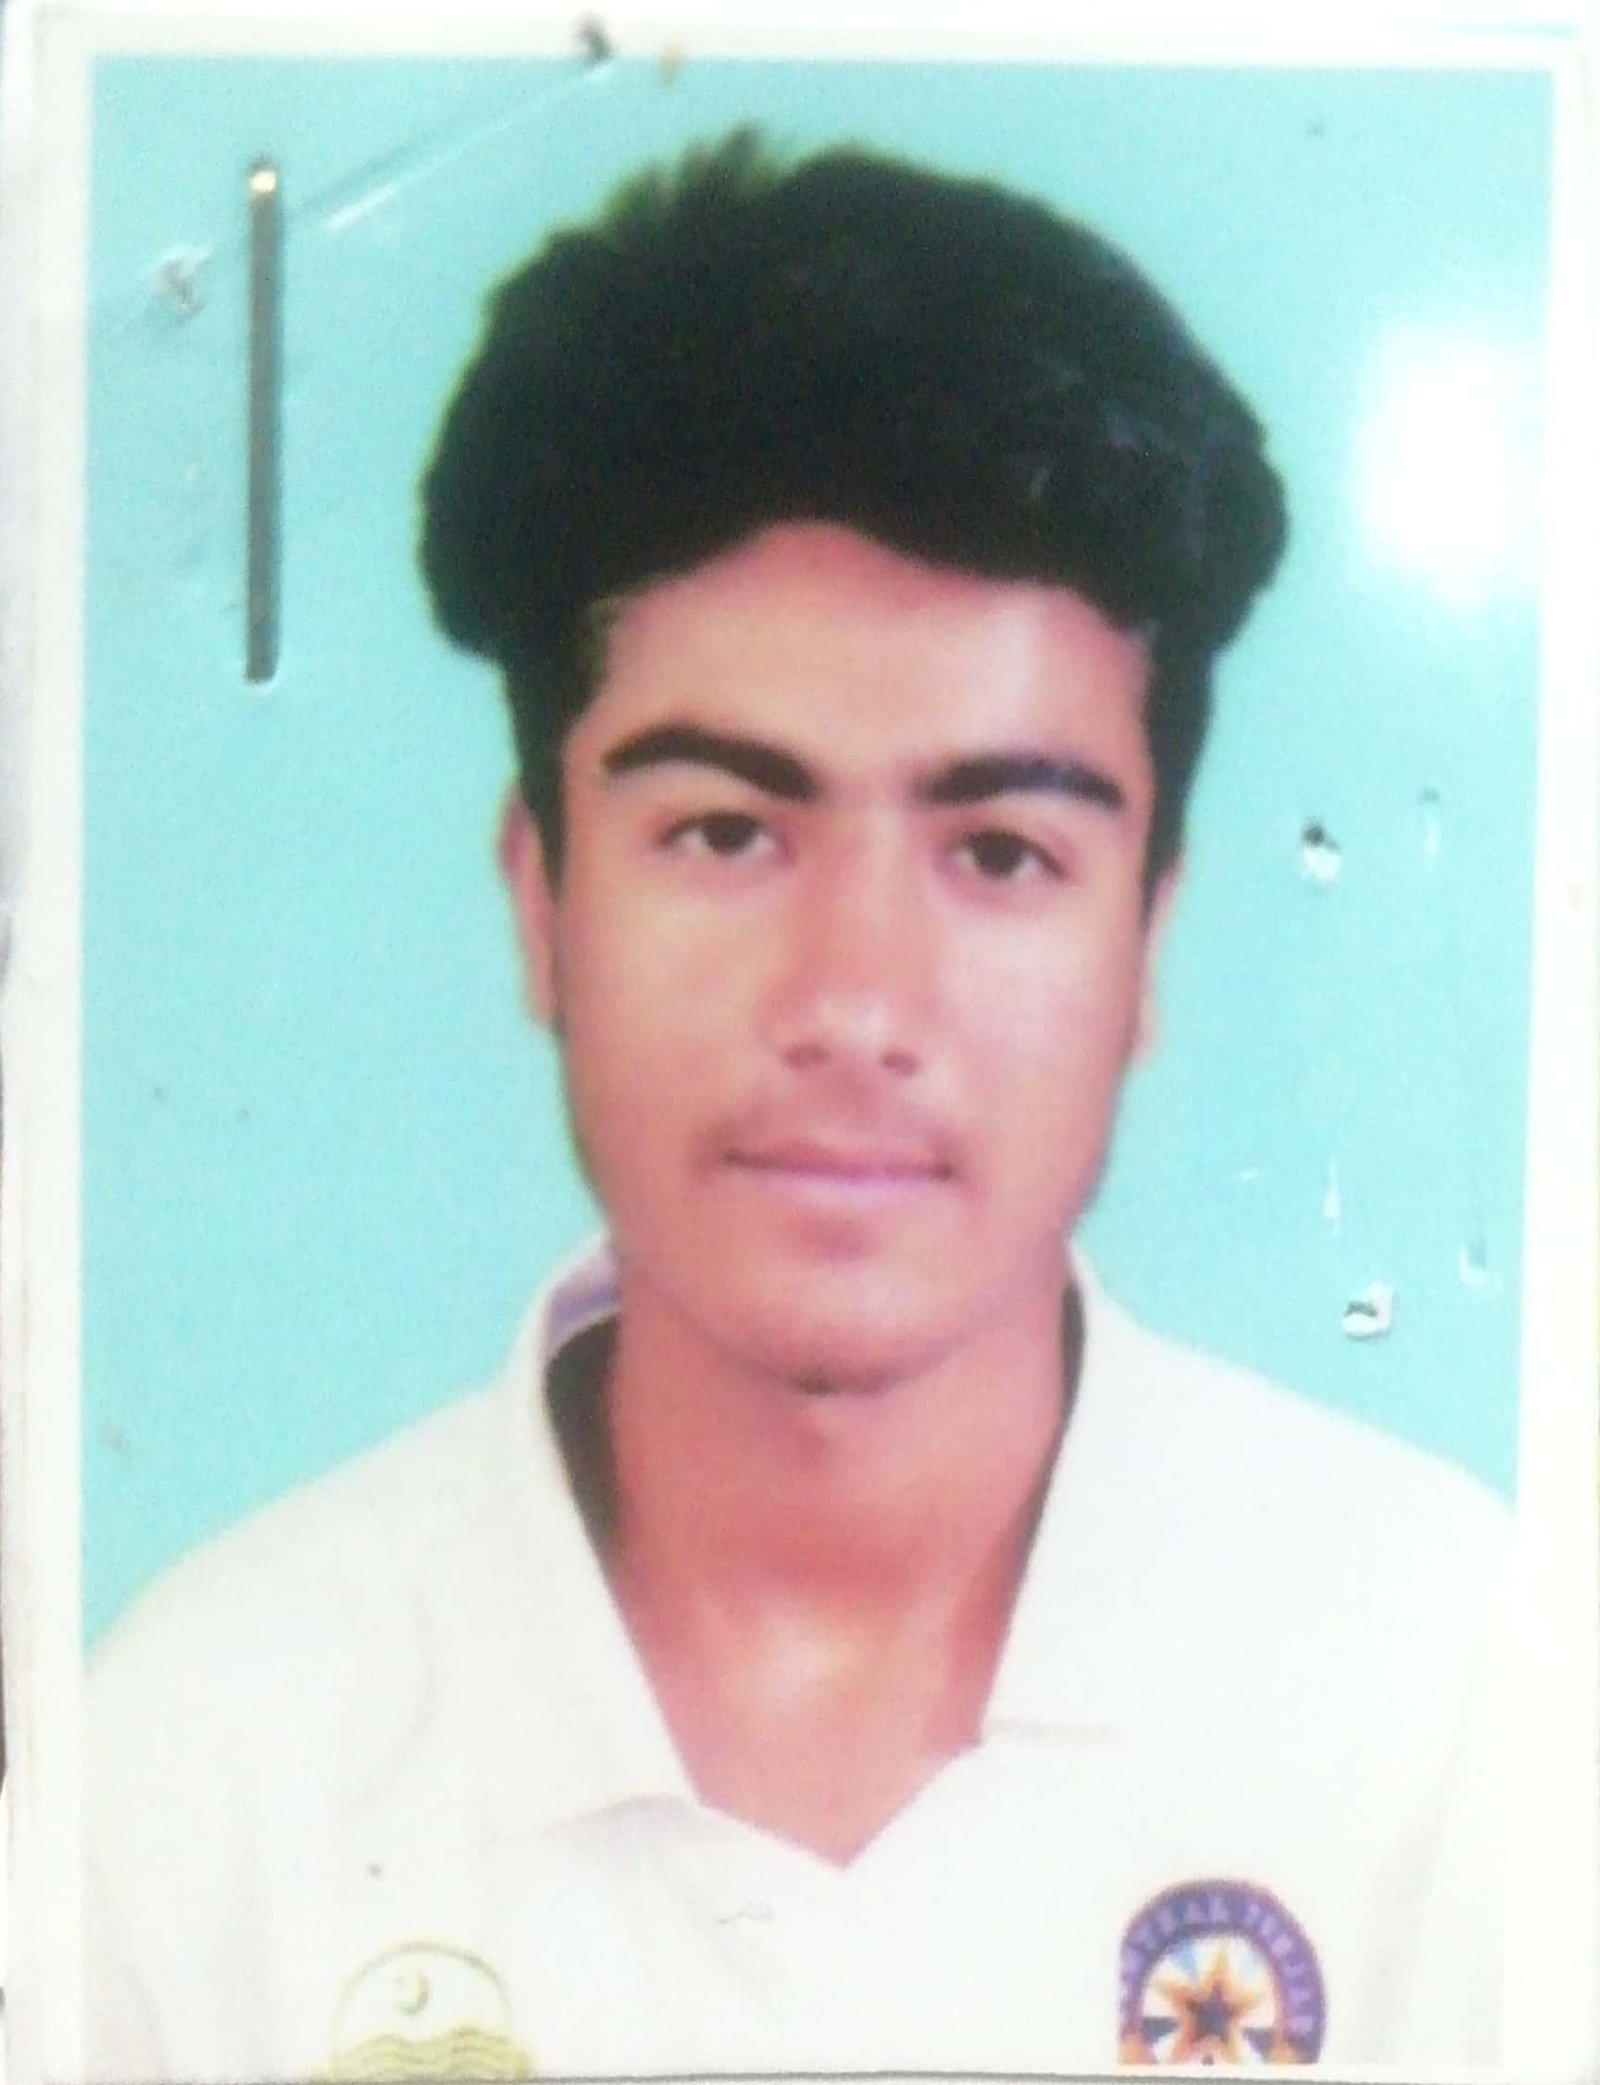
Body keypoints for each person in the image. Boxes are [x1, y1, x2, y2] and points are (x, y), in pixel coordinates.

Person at [86, 130, 1508, 2080]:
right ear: (540, 897)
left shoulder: (1466, 1702)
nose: (853, 1003)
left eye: (999, 852)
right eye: (725, 830)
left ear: (1146, 935)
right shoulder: (192, 1767)